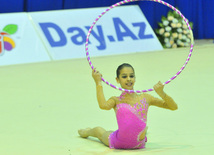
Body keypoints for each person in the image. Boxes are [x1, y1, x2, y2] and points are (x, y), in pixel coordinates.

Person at [78, 63, 178, 149]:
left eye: (131, 76)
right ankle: (87, 131)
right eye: (124, 76)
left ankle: (145, 130)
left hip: (139, 144)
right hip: (118, 142)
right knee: (99, 131)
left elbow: (173, 107)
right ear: (117, 80)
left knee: (141, 128)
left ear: (135, 78)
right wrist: (98, 82)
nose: (129, 79)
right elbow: (103, 105)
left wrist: (162, 93)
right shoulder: (116, 100)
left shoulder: (146, 98)